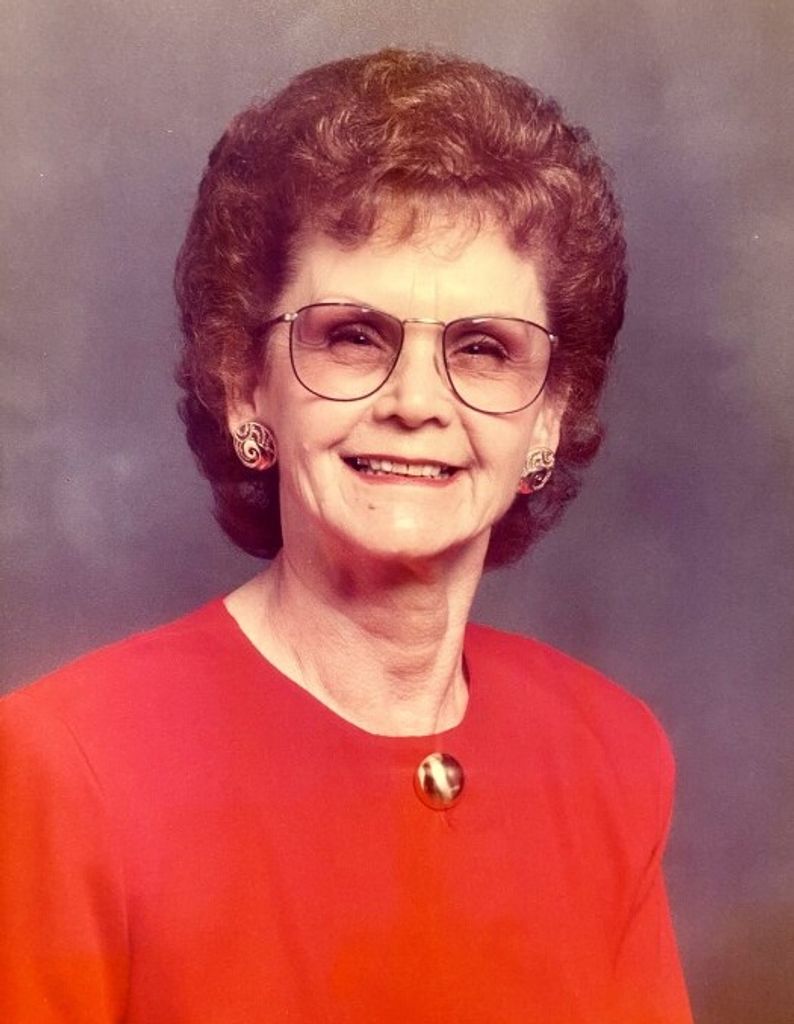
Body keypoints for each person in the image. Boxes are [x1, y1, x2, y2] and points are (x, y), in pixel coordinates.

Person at [0, 48, 693, 1022]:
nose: (416, 402)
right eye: (354, 336)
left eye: (482, 349)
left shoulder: (606, 752)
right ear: (246, 385)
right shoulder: (66, 766)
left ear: (547, 416)